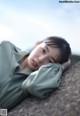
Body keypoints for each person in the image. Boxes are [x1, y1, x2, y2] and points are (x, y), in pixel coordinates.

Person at [0, 36, 71, 111]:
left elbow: (34, 87)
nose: (40, 59)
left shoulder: (35, 80)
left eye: (50, 61)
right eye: (43, 50)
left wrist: (60, 67)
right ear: (38, 43)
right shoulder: (6, 48)